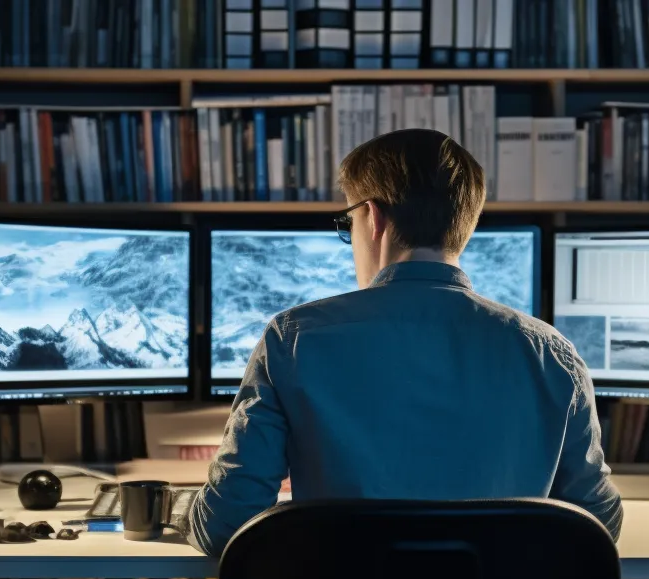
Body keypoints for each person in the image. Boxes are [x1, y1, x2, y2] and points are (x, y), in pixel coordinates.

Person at [187, 129, 621, 556]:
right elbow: (598, 523)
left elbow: (226, 527)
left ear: (374, 218)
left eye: (348, 223)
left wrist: (183, 509)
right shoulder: (553, 355)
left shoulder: (294, 339)